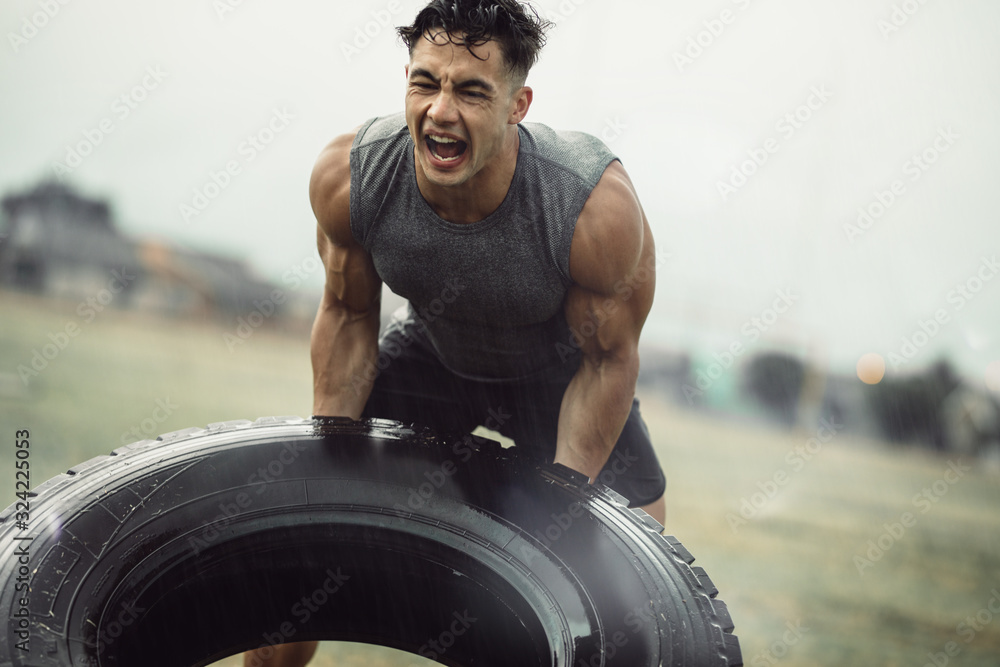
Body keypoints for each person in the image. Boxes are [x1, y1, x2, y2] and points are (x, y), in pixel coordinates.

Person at [244, 1, 665, 665]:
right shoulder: (352, 177)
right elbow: (350, 312)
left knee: (640, 591)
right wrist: (333, 463)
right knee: (310, 538)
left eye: (471, 90)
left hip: (560, 377)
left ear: (517, 105)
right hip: (433, 354)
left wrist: (561, 506)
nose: (441, 111)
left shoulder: (591, 208)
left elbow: (609, 359)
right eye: (425, 82)